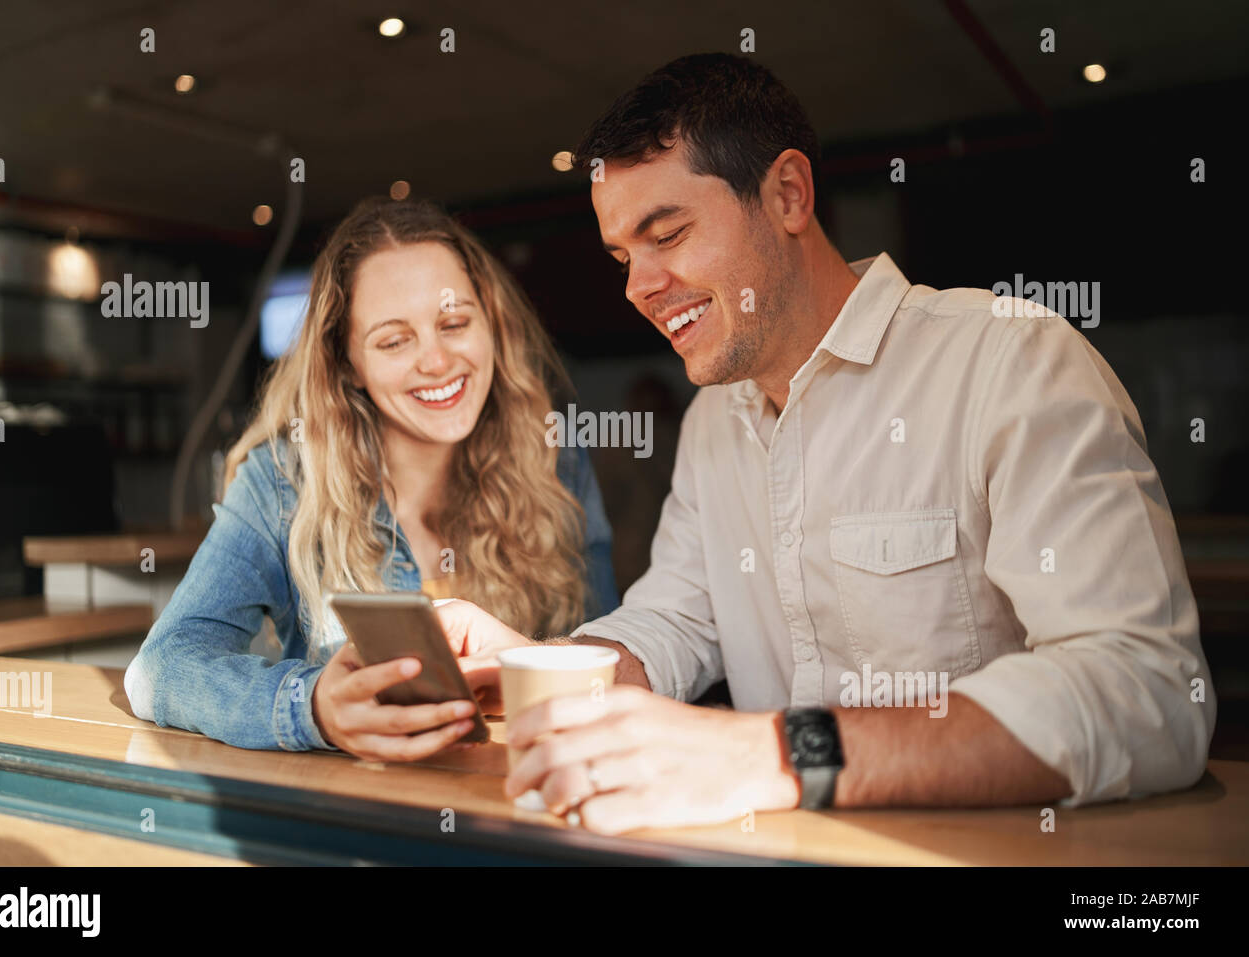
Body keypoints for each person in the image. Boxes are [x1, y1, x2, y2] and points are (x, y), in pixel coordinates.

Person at [439, 53, 1216, 834]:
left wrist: (775, 754)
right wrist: (536, 667)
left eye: (666, 233)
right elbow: (679, 619)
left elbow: (1147, 692)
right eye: (623, 257)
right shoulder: (716, 420)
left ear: (787, 195)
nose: (637, 286)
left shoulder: (1011, 361)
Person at [125, 197, 619, 760]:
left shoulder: (557, 460)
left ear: (492, 326)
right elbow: (161, 667)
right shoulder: (284, 483)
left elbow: (612, 659)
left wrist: (532, 665)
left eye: (454, 323)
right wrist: (312, 708)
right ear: (348, 365)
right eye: (393, 340)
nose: (436, 360)